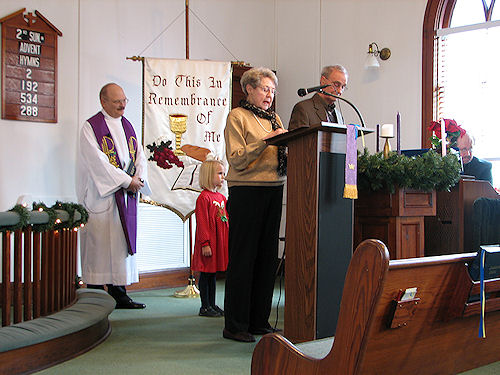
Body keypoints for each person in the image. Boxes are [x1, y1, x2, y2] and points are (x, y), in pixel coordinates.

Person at [223, 67, 287, 343]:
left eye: (272, 91)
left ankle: (259, 321)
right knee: (244, 258)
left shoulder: (274, 118)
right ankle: (235, 325)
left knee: (266, 258)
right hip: (247, 191)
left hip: (274, 189)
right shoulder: (237, 117)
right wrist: (266, 141)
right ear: (248, 89)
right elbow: (236, 158)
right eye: (264, 89)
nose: (269, 96)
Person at [76, 83, 150, 309]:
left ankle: (120, 293)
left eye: (124, 100)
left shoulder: (127, 125)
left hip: (125, 197)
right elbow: (97, 162)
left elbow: (140, 155)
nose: (122, 105)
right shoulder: (91, 127)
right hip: (102, 197)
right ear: (103, 102)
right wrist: (127, 181)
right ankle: (96, 294)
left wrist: (138, 178)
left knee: (119, 245)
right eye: (117, 101)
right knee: (99, 246)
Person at [191, 157, 229, 318]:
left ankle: (212, 304)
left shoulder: (220, 198)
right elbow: (203, 223)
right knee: (206, 275)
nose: (223, 177)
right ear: (209, 175)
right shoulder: (204, 198)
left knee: (213, 276)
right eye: (220, 173)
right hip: (208, 244)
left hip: (218, 243)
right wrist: (205, 243)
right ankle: (204, 306)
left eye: (223, 173)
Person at [289, 65, 348, 130]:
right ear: (323, 81)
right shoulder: (303, 108)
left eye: (343, 87)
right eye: (336, 85)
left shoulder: (339, 115)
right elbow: (297, 139)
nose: (340, 91)